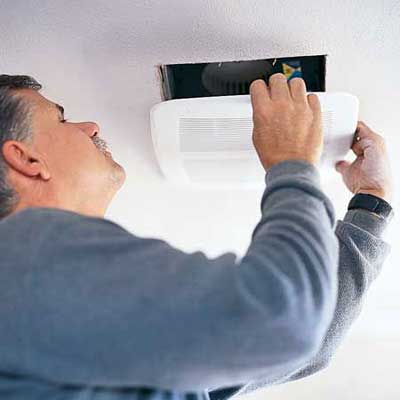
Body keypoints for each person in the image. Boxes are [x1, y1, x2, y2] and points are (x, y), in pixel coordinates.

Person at [0, 73, 392, 400]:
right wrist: (292, 163)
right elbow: (286, 322)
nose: (91, 127)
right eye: (63, 121)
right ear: (26, 158)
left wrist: (370, 205)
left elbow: (304, 338)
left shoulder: (84, 328)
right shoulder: (22, 258)